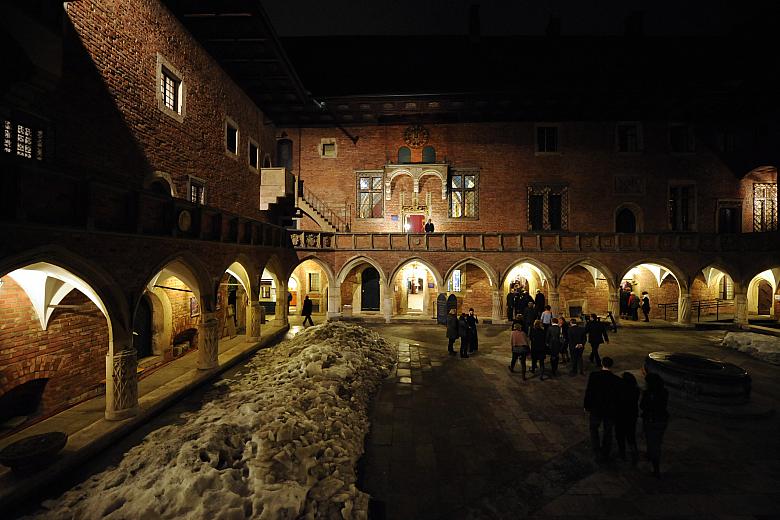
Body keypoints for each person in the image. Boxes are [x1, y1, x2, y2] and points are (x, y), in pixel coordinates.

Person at [583, 356, 622, 462]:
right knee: (608, 431)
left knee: (593, 429)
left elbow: (589, 392)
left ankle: (596, 450)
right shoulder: (617, 380)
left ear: (602, 364)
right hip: (610, 410)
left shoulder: (594, 376)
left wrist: (586, 406)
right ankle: (606, 451)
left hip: (596, 409)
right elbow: (618, 397)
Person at [641, 372, 669, 478]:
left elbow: (643, 405)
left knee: (654, 444)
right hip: (662, 420)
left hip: (652, 420)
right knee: (656, 440)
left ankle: (656, 468)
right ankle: (650, 455)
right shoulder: (664, 392)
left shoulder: (648, 393)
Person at [616, 372, 640, 465]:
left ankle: (622, 454)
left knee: (620, 437)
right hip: (631, 416)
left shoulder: (620, 391)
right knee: (631, 437)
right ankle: (634, 455)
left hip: (621, 416)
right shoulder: (636, 390)